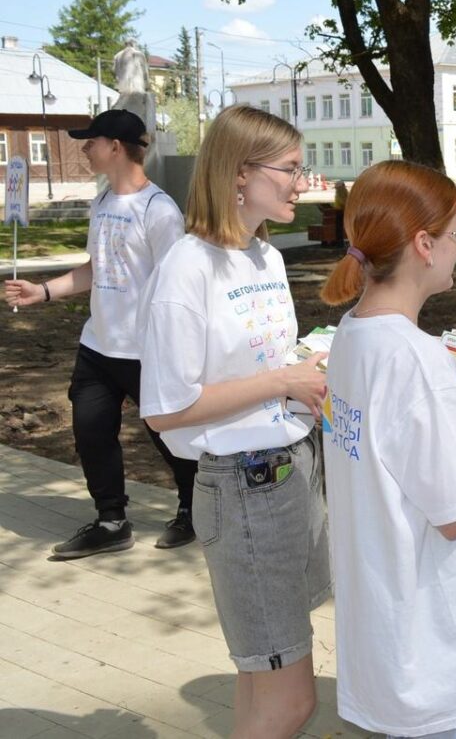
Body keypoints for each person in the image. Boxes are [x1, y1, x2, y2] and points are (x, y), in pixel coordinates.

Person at [319, 160, 456, 738]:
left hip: (392, 646)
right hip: (449, 663)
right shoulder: (417, 358)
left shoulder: (351, 335)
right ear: (422, 244)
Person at [138, 105, 330, 739]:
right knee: (290, 702)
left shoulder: (263, 257)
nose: (302, 184)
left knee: (261, 687)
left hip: (290, 470)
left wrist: (307, 369)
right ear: (240, 173)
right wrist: (283, 381)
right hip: (245, 488)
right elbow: (166, 408)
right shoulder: (186, 268)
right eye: (291, 170)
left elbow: (270, 362)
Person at [5, 109, 197, 557]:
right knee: (90, 433)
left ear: (114, 146)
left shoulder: (160, 211)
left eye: (90, 141)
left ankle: (193, 509)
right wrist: (43, 291)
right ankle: (111, 521)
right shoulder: (103, 202)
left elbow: (178, 282)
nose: (84, 148)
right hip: (97, 345)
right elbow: (98, 267)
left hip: (144, 350)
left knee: (166, 435)